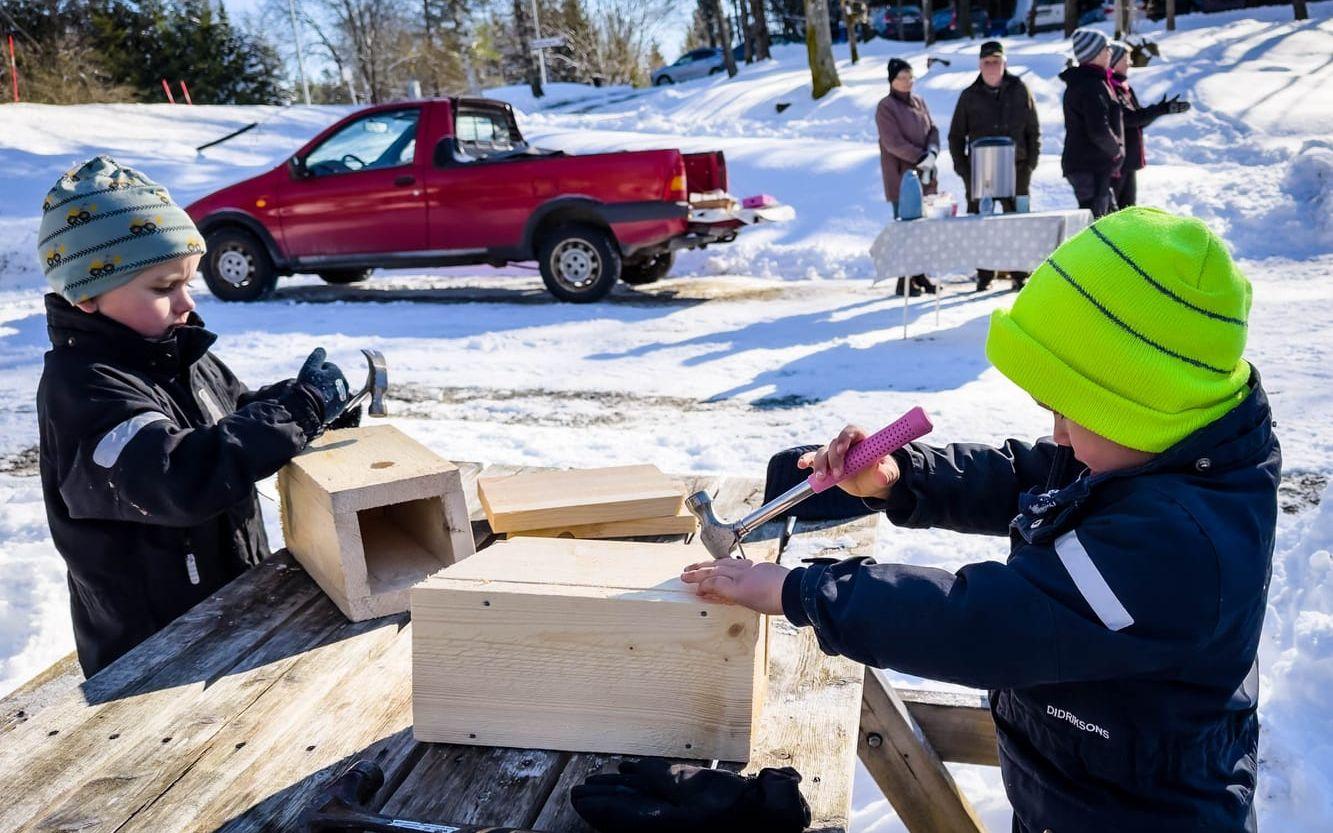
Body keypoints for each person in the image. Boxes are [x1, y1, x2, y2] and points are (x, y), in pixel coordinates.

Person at [682, 207, 1278, 833]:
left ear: (1143, 406)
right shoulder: (1164, 456)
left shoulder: (1181, 547)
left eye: (1073, 414)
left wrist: (805, 592)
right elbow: (1034, 479)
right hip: (1074, 780)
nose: (1060, 436)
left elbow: (981, 623)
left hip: (1138, 812)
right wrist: (904, 479)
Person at [36, 156, 360, 677]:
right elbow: (175, 475)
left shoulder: (179, 352)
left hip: (228, 612)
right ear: (87, 294)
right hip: (154, 651)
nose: (186, 301)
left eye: (188, 282)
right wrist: (295, 413)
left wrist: (307, 408)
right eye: (163, 288)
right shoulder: (84, 390)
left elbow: (232, 419)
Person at [948, 40, 1041, 292]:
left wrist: (1031, 163)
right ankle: (985, 274)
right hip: (981, 172)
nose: (992, 66)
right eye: (987, 62)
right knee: (982, 225)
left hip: (1017, 169)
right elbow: (956, 137)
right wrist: (965, 171)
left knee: (1017, 222)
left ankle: (1020, 272)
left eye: (996, 61)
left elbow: (1033, 130)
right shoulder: (969, 96)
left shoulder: (1020, 89)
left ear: (1004, 63)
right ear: (980, 64)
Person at [876, 57, 939, 296]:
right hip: (901, 177)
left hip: (925, 174)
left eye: (910, 77)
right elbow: (892, 142)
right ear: (892, 80)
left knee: (924, 230)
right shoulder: (886, 107)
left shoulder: (919, 102)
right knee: (907, 230)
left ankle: (920, 275)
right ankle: (904, 279)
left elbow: (933, 129)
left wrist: (932, 152)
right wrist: (921, 156)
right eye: (901, 77)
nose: (907, 82)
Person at [1108, 40, 1191, 208]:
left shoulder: (1125, 88)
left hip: (1129, 160)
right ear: (1114, 62)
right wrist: (1161, 109)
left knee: (1128, 210)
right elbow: (1130, 119)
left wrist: (1163, 110)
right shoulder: (1110, 88)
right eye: (1126, 59)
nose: (1130, 63)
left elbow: (1138, 121)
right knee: (1112, 213)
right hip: (1116, 161)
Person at [1059, 28, 1124, 218]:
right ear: (1095, 53)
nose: (1110, 52)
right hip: (1089, 166)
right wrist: (1116, 151)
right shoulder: (1090, 85)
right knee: (1098, 221)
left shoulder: (1093, 82)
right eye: (1107, 48)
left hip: (1093, 165)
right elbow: (1098, 129)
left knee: (1109, 217)